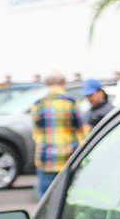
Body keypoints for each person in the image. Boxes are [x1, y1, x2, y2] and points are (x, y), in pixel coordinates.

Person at [30, 71, 86, 200]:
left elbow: (36, 132)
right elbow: (80, 130)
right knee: (68, 197)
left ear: (47, 84)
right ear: (64, 83)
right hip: (68, 156)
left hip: (46, 157)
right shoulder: (71, 103)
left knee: (47, 198)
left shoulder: (39, 104)